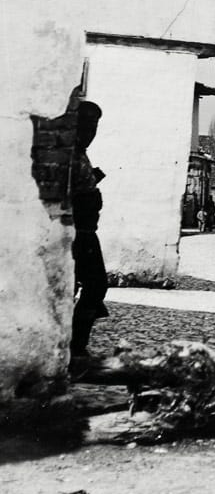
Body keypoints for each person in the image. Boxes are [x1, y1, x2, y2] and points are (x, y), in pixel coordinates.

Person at [70, 101, 108, 370]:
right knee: (94, 285)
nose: (91, 132)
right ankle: (75, 345)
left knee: (93, 286)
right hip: (78, 232)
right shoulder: (70, 154)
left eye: (94, 127)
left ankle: (75, 343)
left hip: (86, 231)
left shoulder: (80, 153)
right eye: (86, 126)